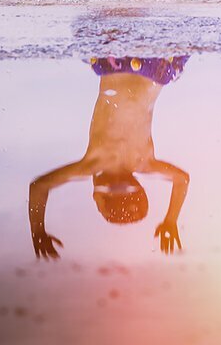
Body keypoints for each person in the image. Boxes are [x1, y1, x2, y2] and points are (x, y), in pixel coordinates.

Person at [28, 55, 191, 260]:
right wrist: (37, 231)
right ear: (101, 195)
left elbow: (182, 180)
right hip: (115, 66)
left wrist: (171, 220)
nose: (93, 195)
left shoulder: (145, 163)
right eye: (97, 201)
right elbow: (38, 187)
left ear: (139, 189)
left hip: (158, 71)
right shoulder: (93, 163)